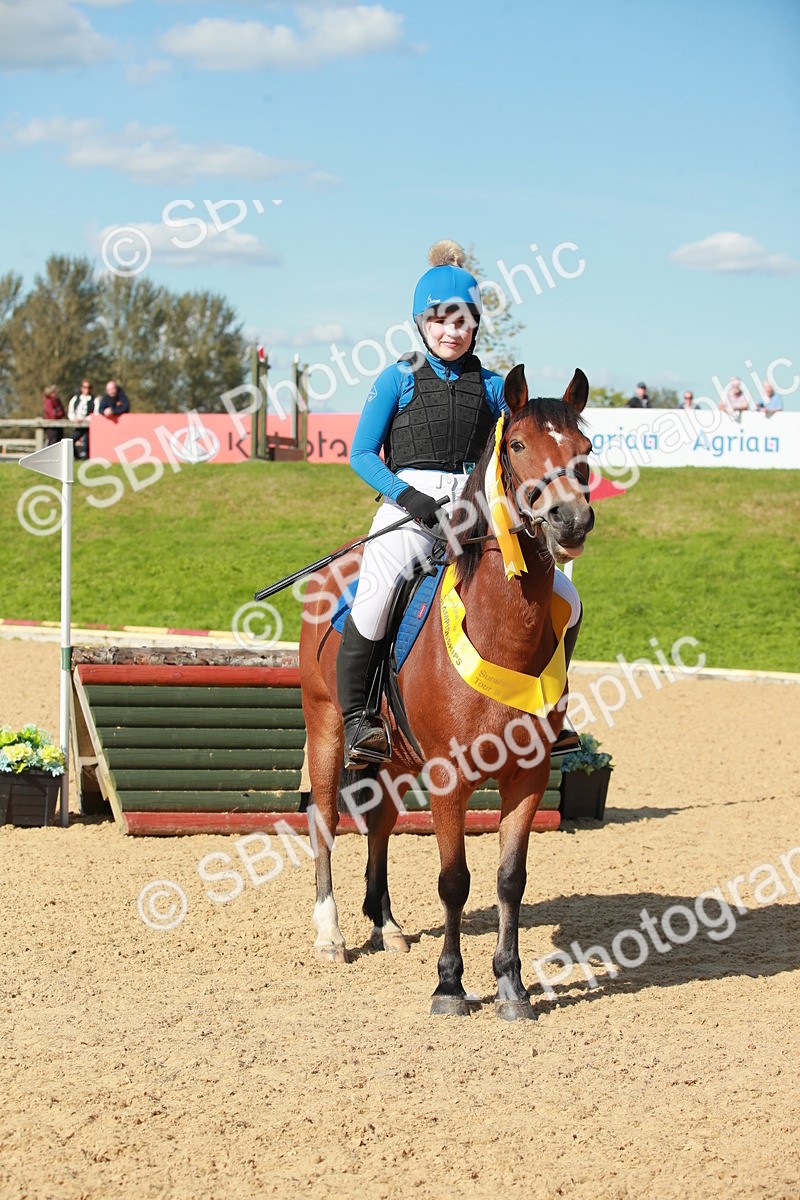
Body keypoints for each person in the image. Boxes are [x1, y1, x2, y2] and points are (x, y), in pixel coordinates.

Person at [337, 240, 584, 768]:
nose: (452, 331)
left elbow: (524, 444)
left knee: (567, 598)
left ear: (475, 325)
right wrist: (412, 499)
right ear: (422, 324)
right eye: (441, 321)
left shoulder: (496, 387)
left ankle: (552, 712)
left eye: (463, 321)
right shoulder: (396, 378)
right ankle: (361, 721)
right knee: (375, 596)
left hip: (482, 511)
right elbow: (360, 454)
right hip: (409, 507)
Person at [67, 379, 98, 458]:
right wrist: (74, 419)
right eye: (84, 387)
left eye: (88, 387)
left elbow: (96, 414)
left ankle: (86, 459)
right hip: (78, 426)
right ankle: (77, 457)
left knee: (87, 444)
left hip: (89, 427)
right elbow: (70, 412)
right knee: (70, 441)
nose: (86, 389)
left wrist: (84, 419)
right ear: (81, 388)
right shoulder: (75, 398)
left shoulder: (95, 400)